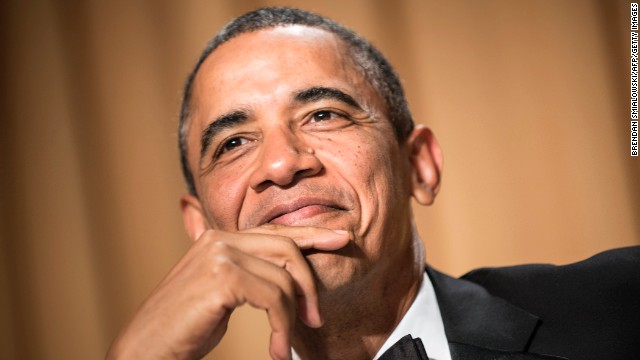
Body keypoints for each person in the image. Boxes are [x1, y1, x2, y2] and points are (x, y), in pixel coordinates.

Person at [107, 7, 640, 360]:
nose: (281, 164)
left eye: (322, 115)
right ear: (201, 229)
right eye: (233, 143)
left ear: (419, 165)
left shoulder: (622, 305)